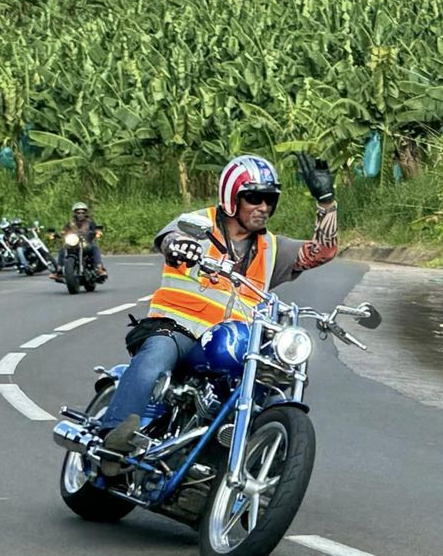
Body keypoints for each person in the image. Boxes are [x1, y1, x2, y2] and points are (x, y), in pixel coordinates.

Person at [97, 153, 338, 453]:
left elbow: (322, 252)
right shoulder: (199, 224)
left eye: (270, 200)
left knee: (272, 389)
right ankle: (113, 439)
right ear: (231, 197)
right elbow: (168, 238)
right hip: (178, 329)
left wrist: (326, 202)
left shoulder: (273, 248)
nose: (263, 207)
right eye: (254, 198)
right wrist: (178, 245)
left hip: (234, 343)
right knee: (155, 357)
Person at [51, 201, 106, 279]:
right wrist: (58, 234)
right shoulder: (70, 223)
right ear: (75, 213)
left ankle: (99, 268)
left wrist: (97, 232)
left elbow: (95, 230)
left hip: (86, 243)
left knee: (95, 248)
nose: (80, 214)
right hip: (73, 244)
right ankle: (59, 269)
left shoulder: (90, 223)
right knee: (62, 249)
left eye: (82, 212)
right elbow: (64, 231)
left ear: (85, 213)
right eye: (78, 212)